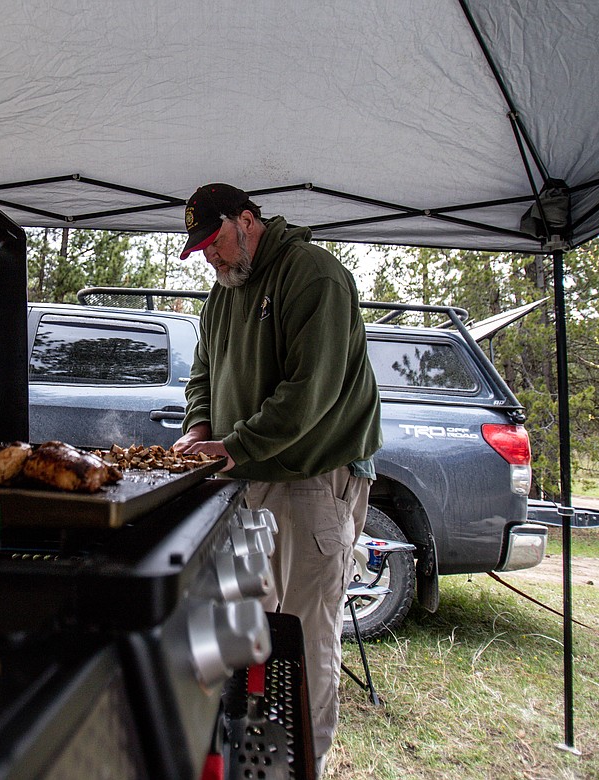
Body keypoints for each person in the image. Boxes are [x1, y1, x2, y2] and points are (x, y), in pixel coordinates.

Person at [172, 183, 382, 775]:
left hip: (313, 481)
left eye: (216, 243)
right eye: (202, 250)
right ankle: (245, 754)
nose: (211, 258)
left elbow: (308, 392)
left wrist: (233, 446)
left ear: (248, 221)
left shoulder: (312, 276)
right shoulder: (224, 292)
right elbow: (202, 373)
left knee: (303, 631)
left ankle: (303, 764)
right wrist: (199, 426)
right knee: (243, 624)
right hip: (246, 478)